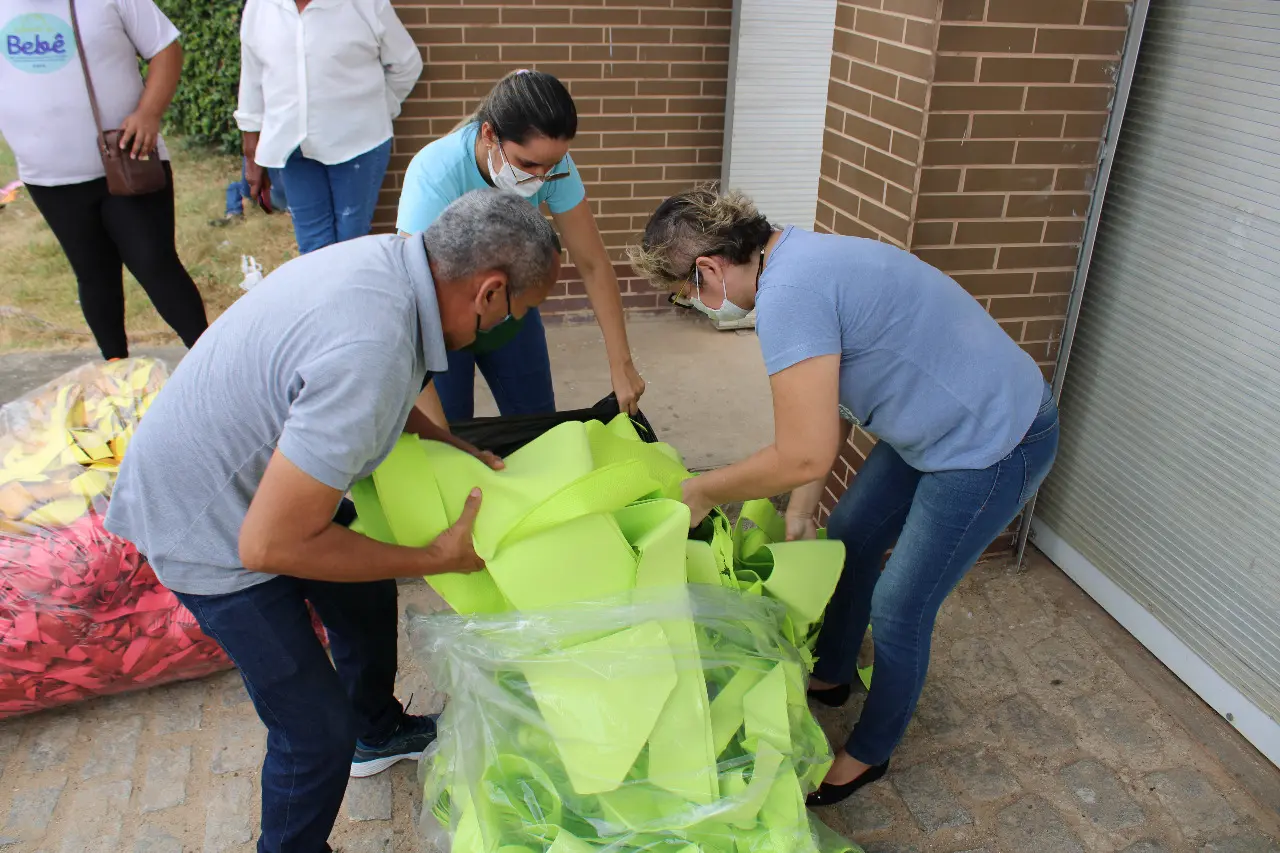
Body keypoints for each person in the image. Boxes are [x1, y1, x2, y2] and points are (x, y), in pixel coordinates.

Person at [104, 189, 561, 853]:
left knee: (364, 593)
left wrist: (447, 441)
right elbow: (270, 544)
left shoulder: (397, 266)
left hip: (253, 477)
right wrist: (434, 558)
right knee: (314, 731)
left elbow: (366, 388)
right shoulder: (372, 346)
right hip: (206, 524)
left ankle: (377, 730)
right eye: (518, 313)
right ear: (489, 291)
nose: (510, 328)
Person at [628, 187, 1059, 807]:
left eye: (684, 293)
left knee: (900, 606)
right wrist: (802, 511)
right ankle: (832, 674)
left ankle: (870, 752)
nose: (693, 305)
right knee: (851, 534)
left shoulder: (790, 295)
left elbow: (803, 454)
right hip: (935, 424)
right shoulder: (793, 258)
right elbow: (822, 413)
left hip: (993, 440)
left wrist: (702, 491)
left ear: (708, 270)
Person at [397, 69, 646, 423]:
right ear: (489, 134)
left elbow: (592, 264)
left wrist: (622, 364)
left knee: (537, 423)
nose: (540, 178)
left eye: (551, 166)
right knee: (449, 429)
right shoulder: (434, 173)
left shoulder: (552, 166)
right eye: (527, 164)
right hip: (440, 314)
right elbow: (414, 297)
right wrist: (441, 433)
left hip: (511, 303)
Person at [0, 0, 208, 360]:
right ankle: (115, 375)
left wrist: (149, 113)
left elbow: (165, 49)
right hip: (47, 175)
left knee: (155, 264)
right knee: (93, 274)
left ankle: (214, 364)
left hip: (127, 160)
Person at [236, 0, 422, 254]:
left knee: (350, 242)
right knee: (313, 247)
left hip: (358, 144)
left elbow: (407, 64)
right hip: (292, 149)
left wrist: (378, 110)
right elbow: (251, 80)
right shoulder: (261, 7)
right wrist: (251, 151)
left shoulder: (365, 4)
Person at [219, 155, 287, 222]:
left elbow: (247, 192)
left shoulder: (257, 154)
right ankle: (234, 214)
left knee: (236, 187)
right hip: (284, 194)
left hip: (278, 197)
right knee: (235, 186)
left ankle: (234, 214)